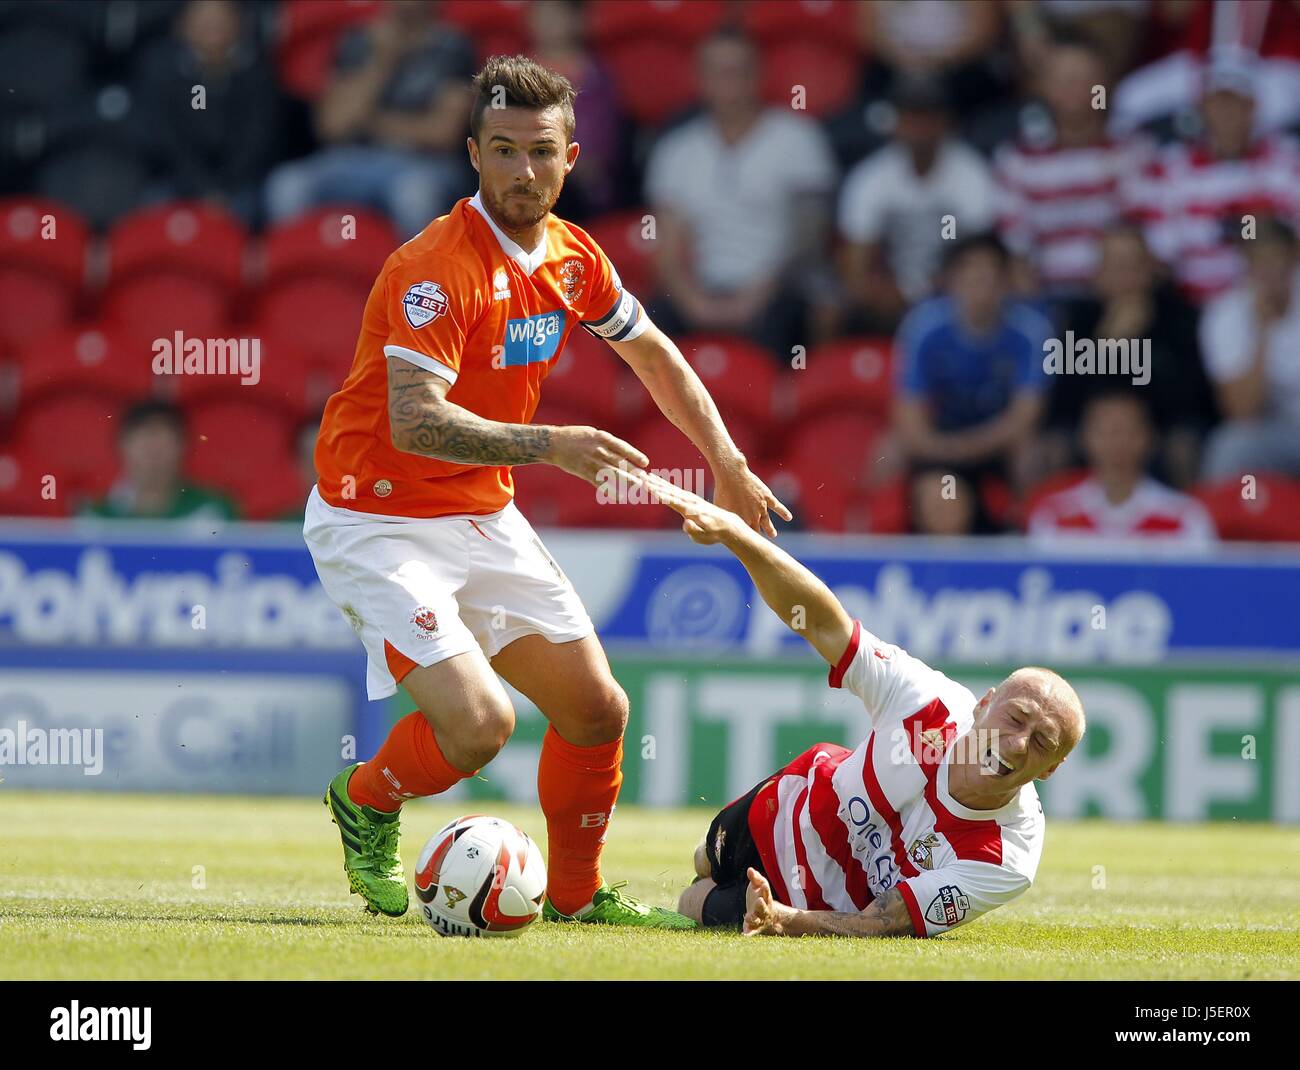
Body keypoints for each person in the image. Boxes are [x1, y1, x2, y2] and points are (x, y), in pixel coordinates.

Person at [306, 55, 788, 928]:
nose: (522, 171)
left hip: (479, 510)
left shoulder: (573, 255)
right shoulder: (433, 269)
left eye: (540, 152)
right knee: (480, 727)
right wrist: (551, 445)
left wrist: (724, 459)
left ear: (571, 155)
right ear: (473, 156)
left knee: (598, 709)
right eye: (502, 151)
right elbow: (414, 421)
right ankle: (368, 798)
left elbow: (652, 355)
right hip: (375, 515)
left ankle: (574, 896)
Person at [630, 472, 1084, 938]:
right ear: (983, 704)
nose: (1016, 743)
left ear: (1051, 769)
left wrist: (784, 920)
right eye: (1015, 718)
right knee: (704, 860)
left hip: (810, 900)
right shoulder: (927, 701)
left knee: (693, 903)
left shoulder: (1008, 855)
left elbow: (886, 922)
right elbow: (824, 624)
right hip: (787, 808)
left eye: (1042, 742)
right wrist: (737, 535)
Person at [643, 29, 837, 358]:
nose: (728, 81)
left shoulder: (798, 140)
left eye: (738, 70)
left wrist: (757, 296)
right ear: (701, 78)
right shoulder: (676, 151)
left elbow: (808, 242)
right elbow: (668, 250)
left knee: (793, 315)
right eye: (718, 71)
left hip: (778, 289)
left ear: (758, 74)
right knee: (644, 322)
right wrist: (694, 303)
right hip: (705, 289)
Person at [265, 0, 476, 239]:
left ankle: (415, 276)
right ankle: (299, 270)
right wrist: (382, 62)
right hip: (352, 158)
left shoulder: (454, 47)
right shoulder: (357, 41)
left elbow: (442, 134)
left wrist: (369, 121)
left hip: (421, 163)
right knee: (287, 186)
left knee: (415, 195)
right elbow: (332, 125)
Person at [1126, 57, 1300, 306]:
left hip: (1272, 301)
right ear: (1201, 108)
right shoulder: (1172, 168)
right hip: (1192, 304)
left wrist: (1223, 229)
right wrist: (1242, 227)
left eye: (1236, 103)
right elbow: (1161, 249)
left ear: (1253, 107)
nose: (1227, 113)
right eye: (1218, 103)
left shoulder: (1286, 160)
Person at [893, 233, 1051, 501]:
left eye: (988, 275)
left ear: (1006, 282)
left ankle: (1021, 530)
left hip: (1001, 438)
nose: (979, 285)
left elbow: (1024, 417)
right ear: (951, 281)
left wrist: (967, 448)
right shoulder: (922, 326)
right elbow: (909, 414)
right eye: (969, 275)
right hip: (943, 433)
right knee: (893, 449)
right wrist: (942, 448)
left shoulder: (1032, 330)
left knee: (1030, 454)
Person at [835, 75, 996, 335]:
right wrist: (885, 293)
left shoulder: (972, 175)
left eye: (928, 118)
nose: (920, 129)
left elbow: (979, 257)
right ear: (895, 122)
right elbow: (855, 263)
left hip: (953, 296)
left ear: (946, 121)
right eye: (911, 118)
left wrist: (936, 290)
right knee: (839, 308)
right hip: (888, 299)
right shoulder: (871, 177)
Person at [994, 31, 1152, 295]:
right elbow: (1016, 246)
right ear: (1042, 86)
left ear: (1104, 84)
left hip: (1117, 295)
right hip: (1045, 297)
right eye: (1062, 79)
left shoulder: (1132, 150)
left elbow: (1138, 232)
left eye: (1083, 78)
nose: (1073, 88)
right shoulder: (1017, 158)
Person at [1028, 388, 1217, 545]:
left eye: (1129, 431)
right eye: (1106, 432)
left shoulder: (1184, 517)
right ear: (1084, 438)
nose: (1117, 443)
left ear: (1150, 438)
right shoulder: (1055, 515)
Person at [1199, 217, 1300, 479]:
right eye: (1259, 261)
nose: (1269, 272)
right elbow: (1242, 411)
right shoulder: (1225, 314)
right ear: (1246, 263)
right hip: (1275, 431)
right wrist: (1262, 332)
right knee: (1231, 446)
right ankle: (1223, 520)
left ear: (1294, 257)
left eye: (1276, 259)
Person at [82, 401, 238, 522]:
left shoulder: (214, 510)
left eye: (163, 440)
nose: (153, 450)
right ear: (121, 446)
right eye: (144, 440)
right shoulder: (97, 517)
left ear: (183, 446)